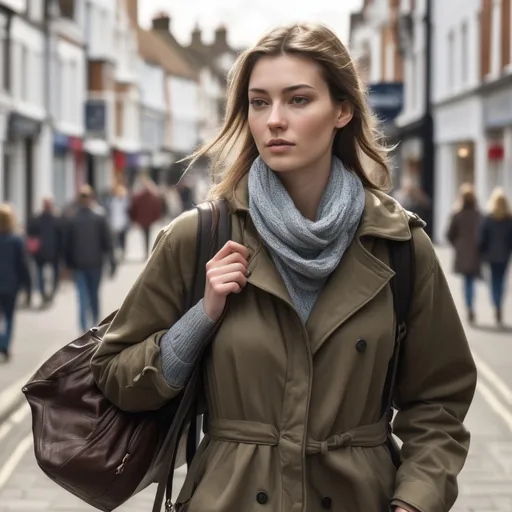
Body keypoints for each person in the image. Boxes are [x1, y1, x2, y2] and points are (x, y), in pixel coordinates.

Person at [91, 23, 476, 512]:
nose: (274, 120)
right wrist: (201, 317)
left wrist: (415, 501)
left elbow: (439, 403)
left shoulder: (400, 245)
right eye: (259, 102)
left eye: (297, 100)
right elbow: (114, 375)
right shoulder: (199, 237)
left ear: (342, 110)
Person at [64, 185, 115, 333]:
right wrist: (111, 261)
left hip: (83, 264)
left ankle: (85, 327)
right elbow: (107, 241)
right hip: (93, 263)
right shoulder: (98, 216)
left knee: (84, 296)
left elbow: (68, 245)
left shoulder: (74, 218)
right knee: (92, 295)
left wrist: (67, 265)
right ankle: (93, 325)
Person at [446, 183, 482, 324]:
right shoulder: (478, 215)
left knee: (466, 281)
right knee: (471, 280)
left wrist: (457, 245)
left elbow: (449, 234)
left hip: (462, 252)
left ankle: (469, 306)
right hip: (474, 252)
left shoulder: (457, 214)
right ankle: (470, 305)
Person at [0, 204, 31, 362]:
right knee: (10, 317)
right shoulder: (17, 238)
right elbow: (23, 264)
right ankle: (5, 344)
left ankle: (1, 342)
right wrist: (28, 285)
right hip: (11, 285)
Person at [479, 187, 512, 326]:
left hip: (491, 255)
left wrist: (482, 251)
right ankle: (499, 304)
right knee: (501, 281)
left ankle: (496, 303)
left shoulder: (488, 218)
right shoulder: (509, 219)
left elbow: (482, 238)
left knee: (493, 281)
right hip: (504, 255)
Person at [27, 197, 64, 307]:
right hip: (41, 253)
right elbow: (31, 235)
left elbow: (61, 236)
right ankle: (44, 294)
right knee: (40, 275)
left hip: (53, 252)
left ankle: (50, 293)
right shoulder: (37, 219)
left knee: (53, 275)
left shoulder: (56, 219)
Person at [129, 176, 163, 259]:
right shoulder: (153, 196)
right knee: (147, 235)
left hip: (142, 219)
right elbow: (158, 208)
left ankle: (146, 251)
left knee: (145, 235)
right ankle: (147, 251)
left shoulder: (138, 197)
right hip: (149, 220)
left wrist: (134, 219)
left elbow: (133, 208)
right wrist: (157, 218)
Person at [105, 183, 130, 261]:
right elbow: (108, 212)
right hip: (114, 224)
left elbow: (128, 212)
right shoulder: (111, 201)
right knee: (115, 241)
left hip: (123, 223)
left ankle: (122, 253)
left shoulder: (125, 201)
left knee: (122, 239)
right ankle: (116, 254)